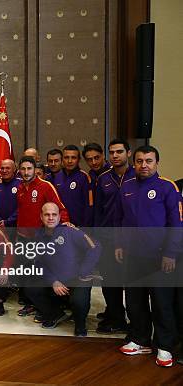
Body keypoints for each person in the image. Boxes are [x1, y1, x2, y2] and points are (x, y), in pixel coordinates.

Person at [117, 145, 182, 368]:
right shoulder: (126, 187)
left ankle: (165, 346)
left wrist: (171, 254)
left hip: (160, 258)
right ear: (133, 162)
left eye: (149, 161)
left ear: (157, 163)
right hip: (133, 257)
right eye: (140, 161)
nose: (144, 165)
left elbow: (176, 224)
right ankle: (140, 339)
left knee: (162, 304)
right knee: (134, 302)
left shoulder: (167, 188)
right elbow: (122, 219)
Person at [26, 203, 100, 336]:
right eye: (47, 215)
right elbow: (38, 263)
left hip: (78, 278)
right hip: (56, 279)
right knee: (31, 288)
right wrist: (53, 281)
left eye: (54, 214)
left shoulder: (71, 231)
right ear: (41, 217)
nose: (50, 218)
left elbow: (95, 247)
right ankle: (55, 314)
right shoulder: (37, 237)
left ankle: (80, 323)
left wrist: (84, 270)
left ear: (60, 217)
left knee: (78, 301)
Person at [16, 156, 68, 316]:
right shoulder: (19, 187)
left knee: (41, 273)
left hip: (42, 239)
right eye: (23, 169)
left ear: (35, 170)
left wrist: (62, 232)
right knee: (25, 272)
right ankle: (30, 304)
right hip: (23, 238)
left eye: (29, 169)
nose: (26, 172)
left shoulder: (46, 186)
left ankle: (47, 306)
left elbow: (61, 210)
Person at [93, 138, 135, 334]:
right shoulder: (103, 178)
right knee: (109, 280)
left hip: (132, 239)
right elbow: (98, 211)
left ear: (128, 152)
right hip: (107, 237)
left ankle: (135, 322)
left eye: (119, 151)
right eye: (112, 152)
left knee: (132, 282)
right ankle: (116, 316)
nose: (115, 155)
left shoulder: (138, 176)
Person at [50, 145, 93, 227]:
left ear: (78, 160)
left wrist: (85, 227)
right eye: (66, 157)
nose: (69, 161)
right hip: (60, 225)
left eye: (73, 158)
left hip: (79, 227)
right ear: (62, 159)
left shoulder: (84, 177)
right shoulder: (57, 177)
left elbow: (89, 206)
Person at [0, 159, 21, 228]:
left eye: (8, 168)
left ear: (14, 169)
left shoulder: (21, 185)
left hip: (16, 226)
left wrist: (8, 222)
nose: (4, 171)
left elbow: (21, 207)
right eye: (2, 168)